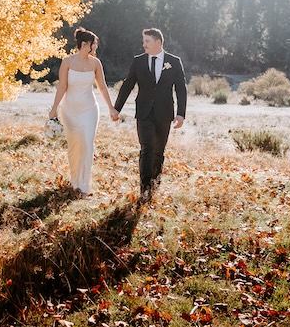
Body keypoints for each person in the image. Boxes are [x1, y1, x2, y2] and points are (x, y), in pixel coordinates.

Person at [112, 28, 187, 201]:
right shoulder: (138, 61)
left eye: (147, 41)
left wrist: (181, 114)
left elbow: (181, 89)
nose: (143, 44)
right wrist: (117, 109)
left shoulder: (174, 62)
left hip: (164, 113)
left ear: (158, 42)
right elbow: (128, 85)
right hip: (144, 112)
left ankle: (155, 185)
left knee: (159, 151)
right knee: (147, 149)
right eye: (143, 41)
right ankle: (145, 189)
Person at [49, 28, 119, 196]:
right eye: (94, 44)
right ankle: (75, 182)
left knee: (87, 144)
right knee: (74, 147)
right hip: (69, 111)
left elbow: (102, 87)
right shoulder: (67, 62)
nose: (96, 47)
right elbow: (62, 87)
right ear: (85, 44)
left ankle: (84, 187)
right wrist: (54, 108)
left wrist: (111, 107)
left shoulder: (95, 63)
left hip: (89, 110)